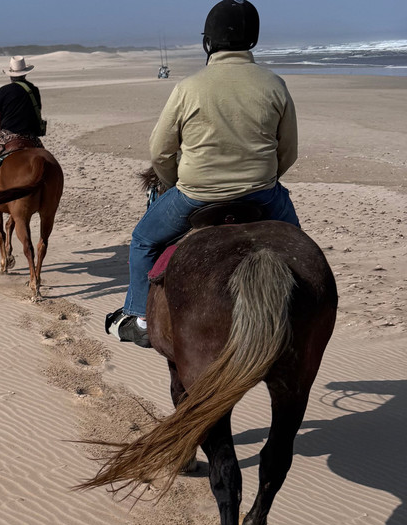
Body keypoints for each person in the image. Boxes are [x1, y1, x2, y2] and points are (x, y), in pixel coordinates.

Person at [106, 0, 300, 348]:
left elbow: (160, 151)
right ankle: (300, 311)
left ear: (208, 41)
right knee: (300, 249)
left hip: (195, 194)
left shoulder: (188, 87)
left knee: (144, 240)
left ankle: (138, 317)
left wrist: (170, 183)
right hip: (261, 194)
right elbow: (288, 151)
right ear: (251, 40)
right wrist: (265, 179)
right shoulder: (274, 84)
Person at [0, 56, 46, 201]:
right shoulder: (34, 90)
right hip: (31, 137)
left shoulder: (4, 90)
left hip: (9, 135)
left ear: (11, 74)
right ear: (25, 73)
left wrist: (0, 131)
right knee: (46, 159)